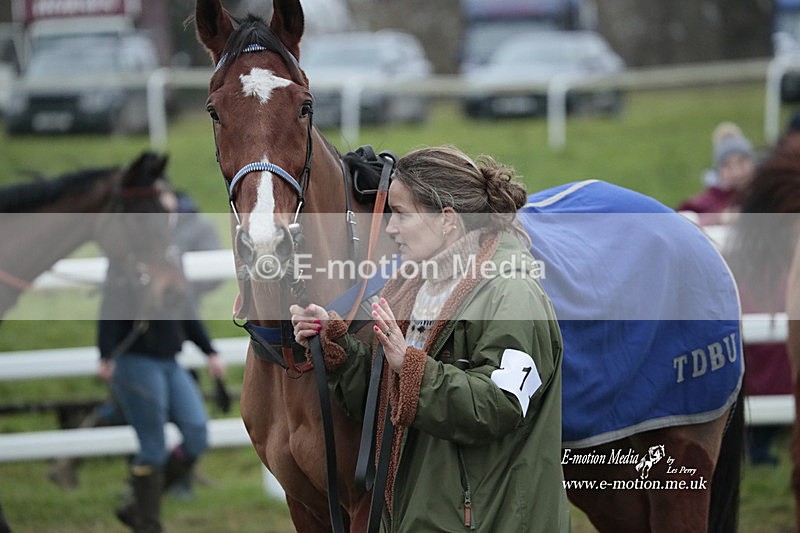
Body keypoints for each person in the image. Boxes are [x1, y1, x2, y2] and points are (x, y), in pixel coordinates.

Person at [291, 146, 569, 531]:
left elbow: (499, 407)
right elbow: (387, 404)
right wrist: (338, 348)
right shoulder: (412, 286)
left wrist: (411, 366)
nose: (389, 228)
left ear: (448, 221)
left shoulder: (511, 295)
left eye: (401, 214)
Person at [97, 186, 225, 532]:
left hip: (170, 360)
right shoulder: (124, 258)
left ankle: (137, 506)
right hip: (136, 359)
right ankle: (148, 524)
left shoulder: (172, 255)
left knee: (197, 432)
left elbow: (185, 310)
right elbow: (109, 308)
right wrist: (105, 353)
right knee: (152, 446)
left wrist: (208, 349)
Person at [677, 121, 756, 226]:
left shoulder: (765, 193)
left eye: (741, 161)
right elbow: (680, 222)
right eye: (727, 165)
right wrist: (719, 218)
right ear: (718, 171)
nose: (737, 171)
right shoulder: (706, 201)